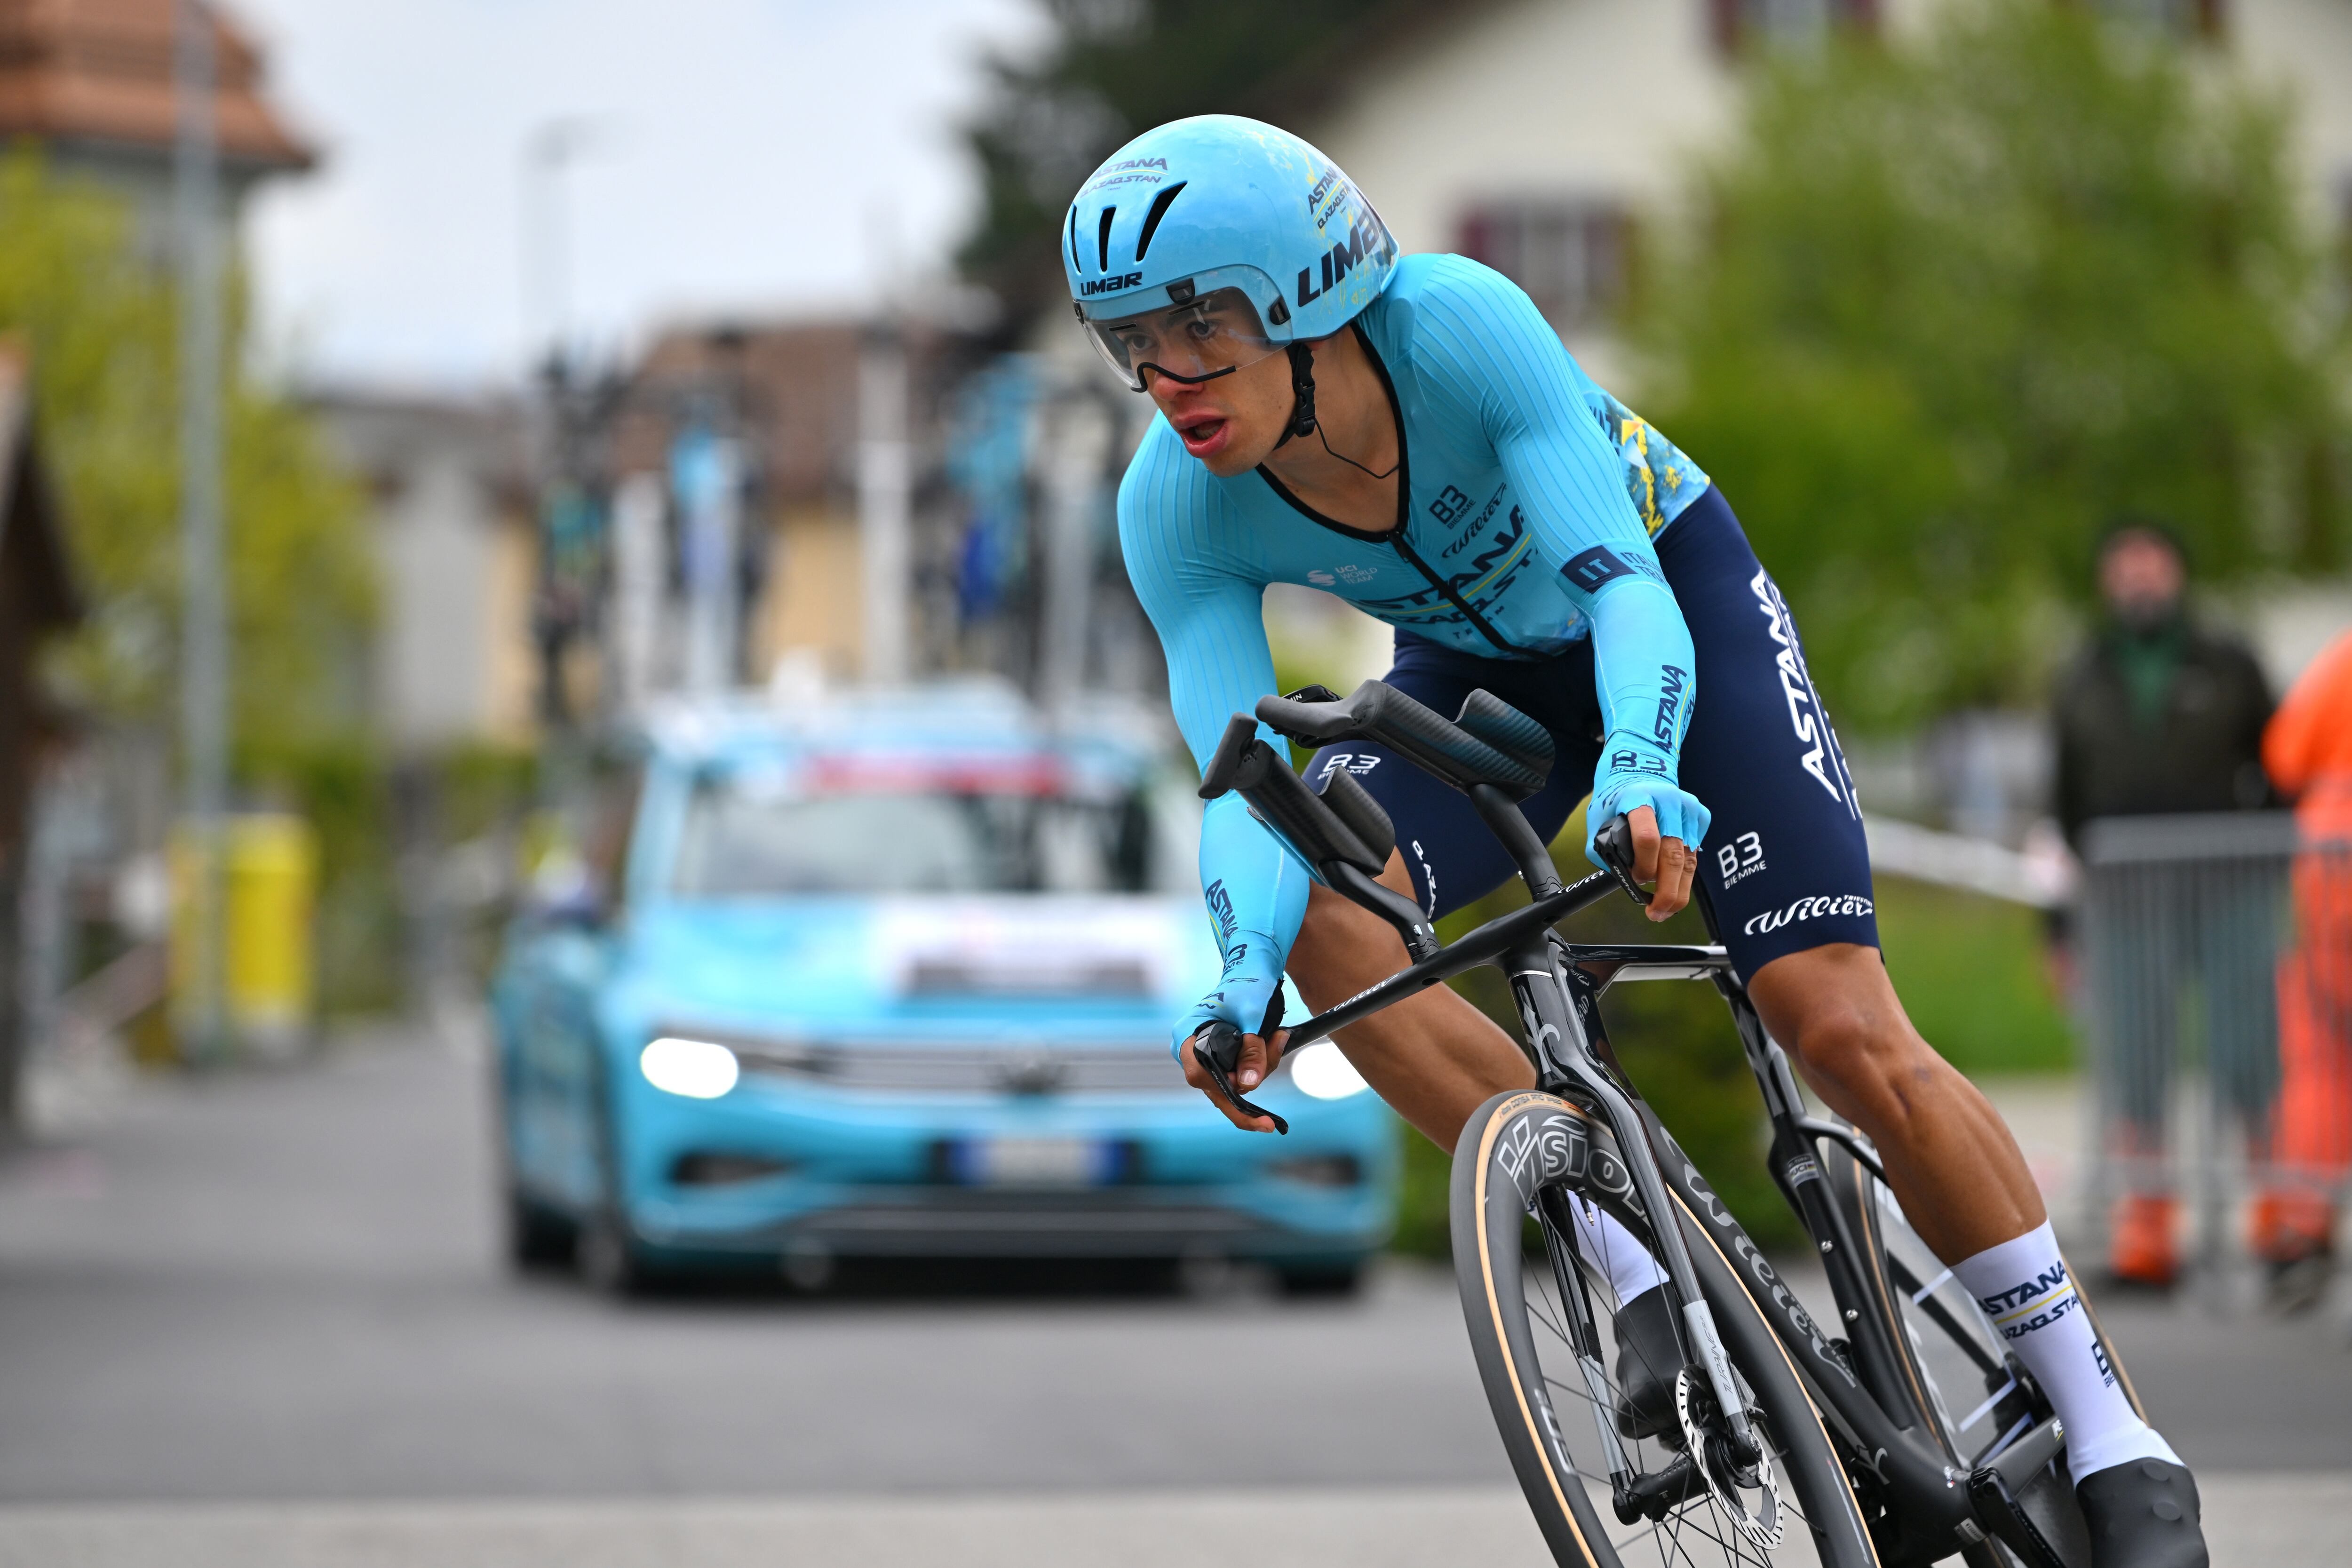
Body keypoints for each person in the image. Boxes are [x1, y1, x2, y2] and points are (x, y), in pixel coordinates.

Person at [1070, 116, 2205, 1565]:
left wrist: (1648, 767)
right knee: (1317, 901)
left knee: (1835, 1021)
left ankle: (2113, 1425)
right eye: (1132, 345)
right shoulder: (1174, 505)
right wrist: (1239, 980)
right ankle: (1622, 1252)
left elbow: (1624, 591)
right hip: (1470, 671)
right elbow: (1246, 784)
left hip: (1667, 605)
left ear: (1306, 297)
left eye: (1200, 328)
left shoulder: (1460, 327)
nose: (1168, 383)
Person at [2050, 524, 2276, 1289]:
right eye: (2125, 567)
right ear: (2109, 581)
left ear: (2176, 572)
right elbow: (2064, 802)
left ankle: (2282, 1218)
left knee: (2250, 1047)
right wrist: (2058, 924)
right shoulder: (2084, 675)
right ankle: (2148, 1231)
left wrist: (2270, 852)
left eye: (2153, 563)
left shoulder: (2229, 662)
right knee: (2137, 1057)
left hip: (2230, 886)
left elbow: (2276, 766)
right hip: (2124, 894)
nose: (2140, 580)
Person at [2257, 626, 2352, 1299]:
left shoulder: (2340, 660)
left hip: (2329, 869)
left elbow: (2285, 754)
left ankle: (2308, 1225)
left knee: (2322, 1056)